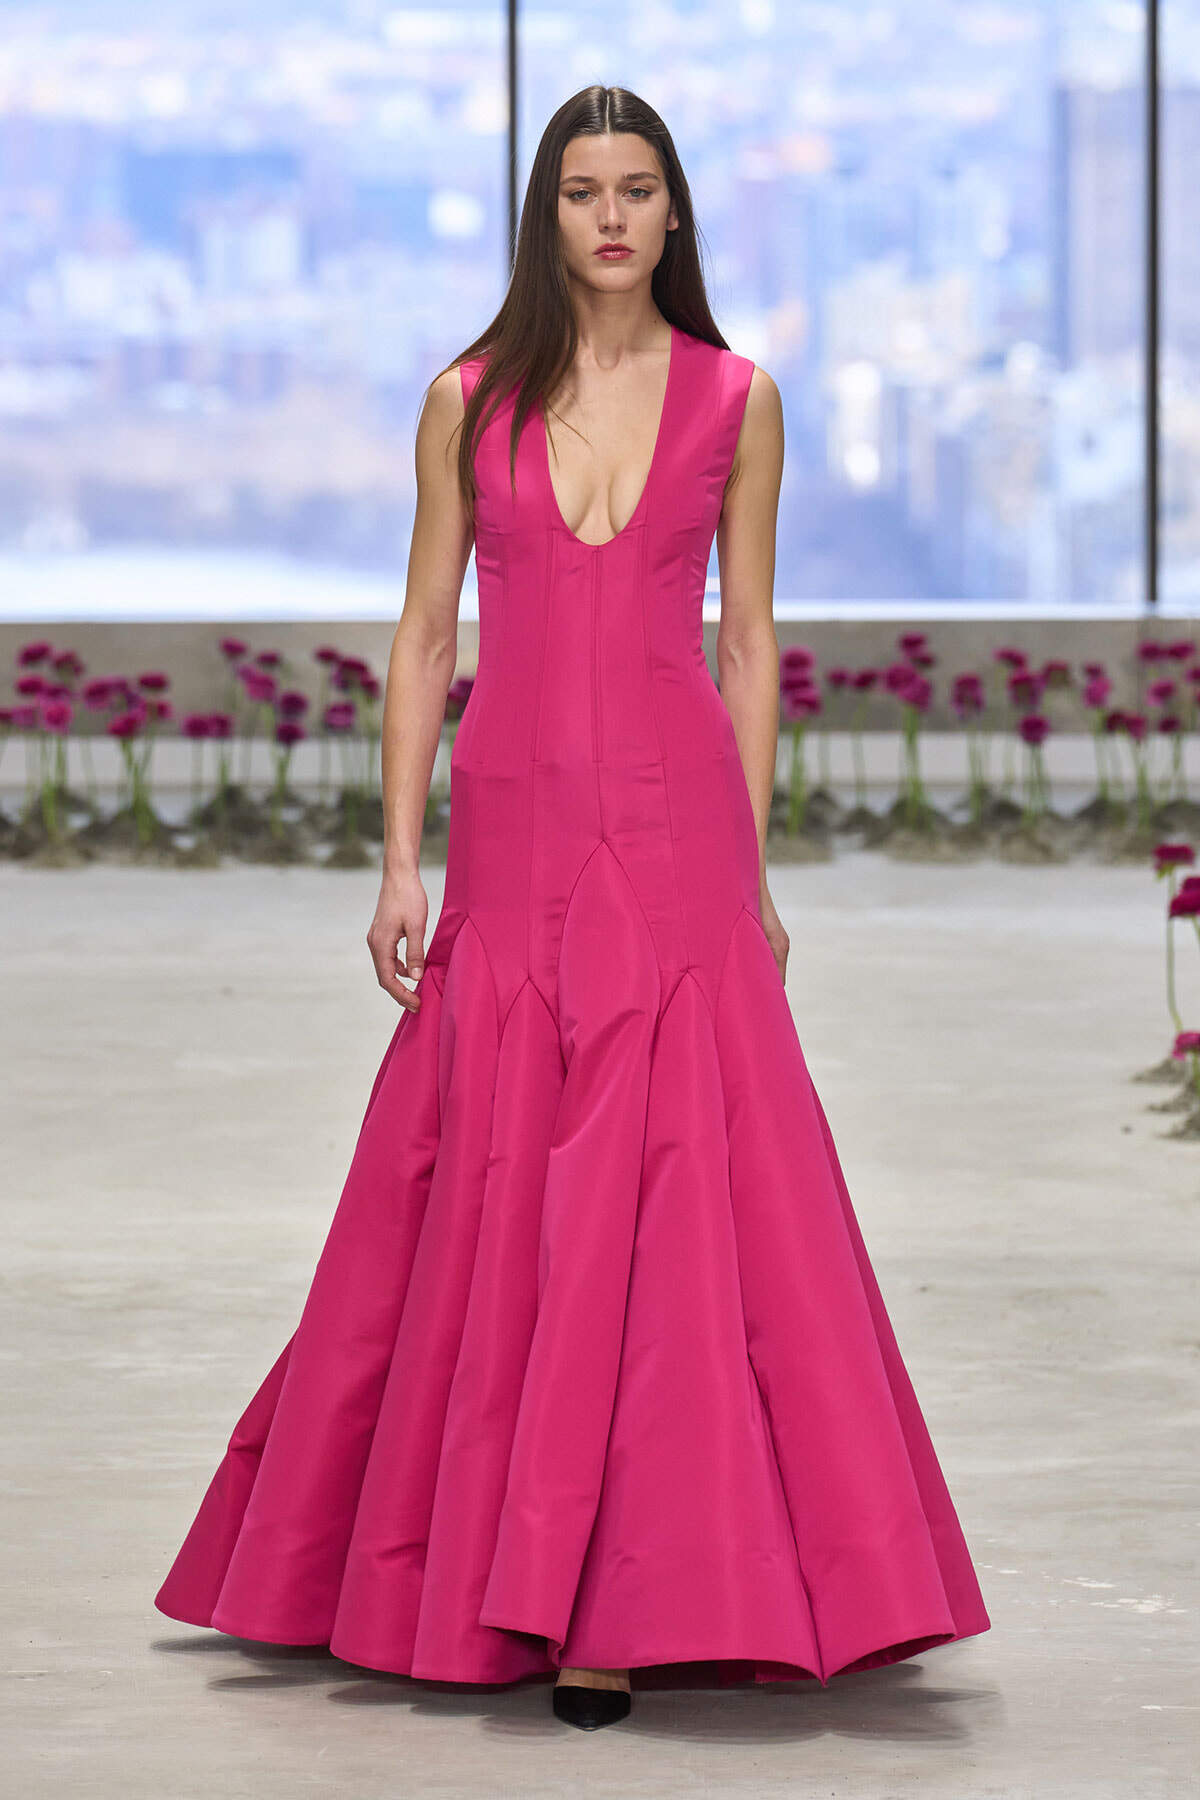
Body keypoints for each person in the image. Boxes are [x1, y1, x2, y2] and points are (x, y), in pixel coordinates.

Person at [154, 85, 991, 1734]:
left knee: (676, 1194)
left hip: (678, 841)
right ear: (546, 217)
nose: (611, 217)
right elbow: (420, 637)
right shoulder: (465, 399)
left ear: (677, 216)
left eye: (639, 190)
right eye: (582, 192)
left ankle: (614, 1599)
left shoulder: (740, 398)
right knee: (488, 1185)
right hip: (516, 830)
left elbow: (748, 645)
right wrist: (399, 860)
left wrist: (746, 874)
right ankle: (458, 1569)